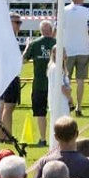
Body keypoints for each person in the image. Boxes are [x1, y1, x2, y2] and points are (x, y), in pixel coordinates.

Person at [24, 20, 63, 148]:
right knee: (55, 111)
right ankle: (58, 136)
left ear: (40, 31)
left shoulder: (35, 44)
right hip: (55, 84)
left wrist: (26, 46)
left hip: (39, 84)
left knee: (40, 113)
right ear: (51, 30)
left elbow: (23, 60)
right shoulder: (57, 43)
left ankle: (42, 138)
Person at [60, 0, 89, 112]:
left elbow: (57, 30)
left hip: (67, 49)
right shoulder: (87, 11)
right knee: (80, 80)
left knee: (66, 79)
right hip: (83, 49)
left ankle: (68, 102)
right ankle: (79, 106)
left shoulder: (63, 10)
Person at [0, 14, 24, 147]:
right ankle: (7, 135)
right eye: (17, 23)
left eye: (20, 23)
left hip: (5, 75)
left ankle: (1, 135)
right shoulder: (8, 38)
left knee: (3, 106)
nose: (19, 25)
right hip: (10, 76)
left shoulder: (6, 37)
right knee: (9, 106)